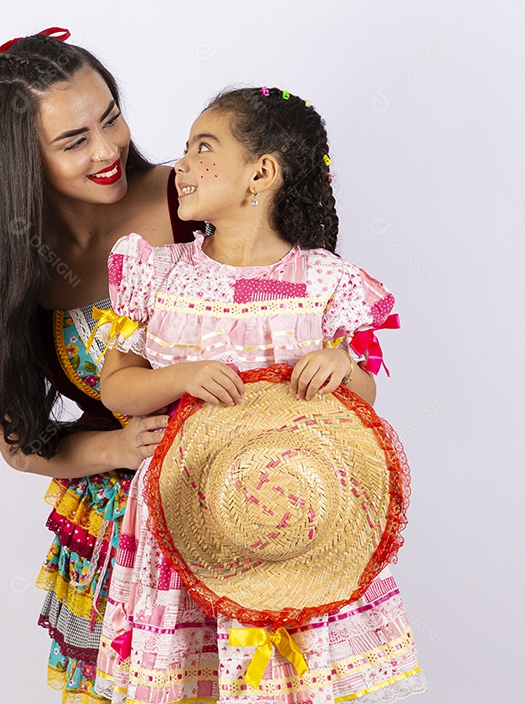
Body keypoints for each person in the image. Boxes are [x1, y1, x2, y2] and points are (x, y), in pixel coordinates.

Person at [91, 86, 426, 703]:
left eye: (203, 148)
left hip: (289, 516)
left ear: (262, 173)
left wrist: (339, 367)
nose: (181, 164)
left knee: (287, 678)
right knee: (189, 681)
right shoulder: (159, 275)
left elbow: (364, 400)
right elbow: (117, 386)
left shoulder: (324, 283)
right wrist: (178, 378)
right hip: (184, 511)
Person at [0, 29, 210, 703]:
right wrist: (119, 446)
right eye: (74, 140)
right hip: (113, 538)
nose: (109, 148)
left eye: (110, 116)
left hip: (222, 504)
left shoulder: (197, 201)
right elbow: (19, 443)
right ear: (19, 162)